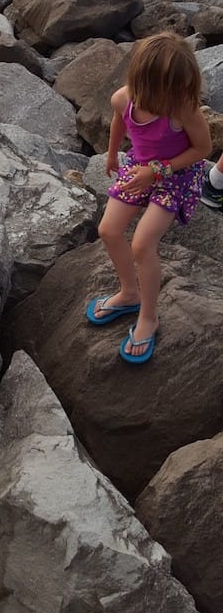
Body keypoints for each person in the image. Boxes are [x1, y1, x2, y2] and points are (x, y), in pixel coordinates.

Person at [86, 32, 211, 364]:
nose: (179, 96)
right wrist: (112, 154)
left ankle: (149, 317)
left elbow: (203, 149)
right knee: (109, 230)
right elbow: (119, 122)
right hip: (140, 167)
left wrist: (159, 171)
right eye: (170, 90)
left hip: (176, 175)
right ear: (143, 83)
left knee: (142, 244)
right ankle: (129, 293)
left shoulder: (182, 108)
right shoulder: (122, 99)